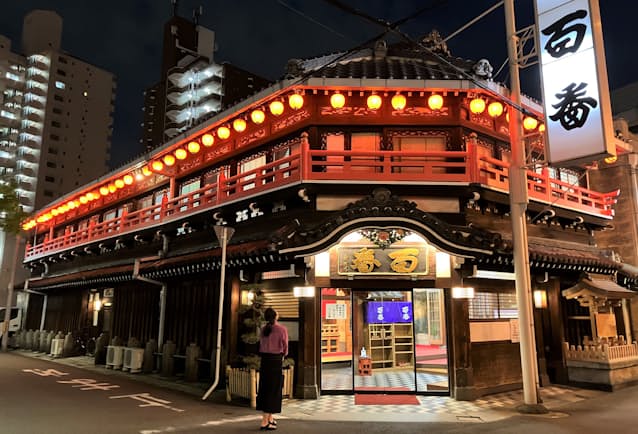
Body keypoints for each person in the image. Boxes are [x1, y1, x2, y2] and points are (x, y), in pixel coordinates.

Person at [256, 307, 288, 431]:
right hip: (276, 361)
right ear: (275, 316)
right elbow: (285, 347)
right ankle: (264, 420)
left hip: (265, 361)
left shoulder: (263, 329)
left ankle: (269, 418)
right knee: (274, 390)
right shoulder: (282, 329)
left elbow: (261, 345)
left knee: (265, 388)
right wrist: (283, 355)